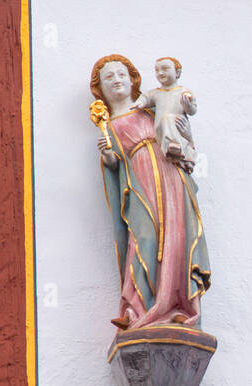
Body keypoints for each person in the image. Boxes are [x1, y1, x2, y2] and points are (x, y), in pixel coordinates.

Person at [89, 53, 210, 331]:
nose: (116, 80)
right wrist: (108, 158)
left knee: (178, 237)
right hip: (139, 186)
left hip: (170, 178)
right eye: (109, 77)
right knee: (143, 238)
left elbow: (180, 130)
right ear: (101, 89)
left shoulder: (150, 109)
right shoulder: (108, 125)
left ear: (132, 80)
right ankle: (139, 309)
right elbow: (114, 166)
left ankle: (180, 308)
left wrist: (185, 132)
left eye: (121, 74)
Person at [138, 56, 197, 172]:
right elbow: (146, 97)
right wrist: (140, 103)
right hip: (161, 129)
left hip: (179, 127)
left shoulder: (183, 92)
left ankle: (178, 150)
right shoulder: (156, 93)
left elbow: (193, 111)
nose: (160, 73)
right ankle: (172, 147)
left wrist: (188, 106)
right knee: (166, 120)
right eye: (157, 70)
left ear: (177, 73)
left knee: (168, 119)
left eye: (165, 69)